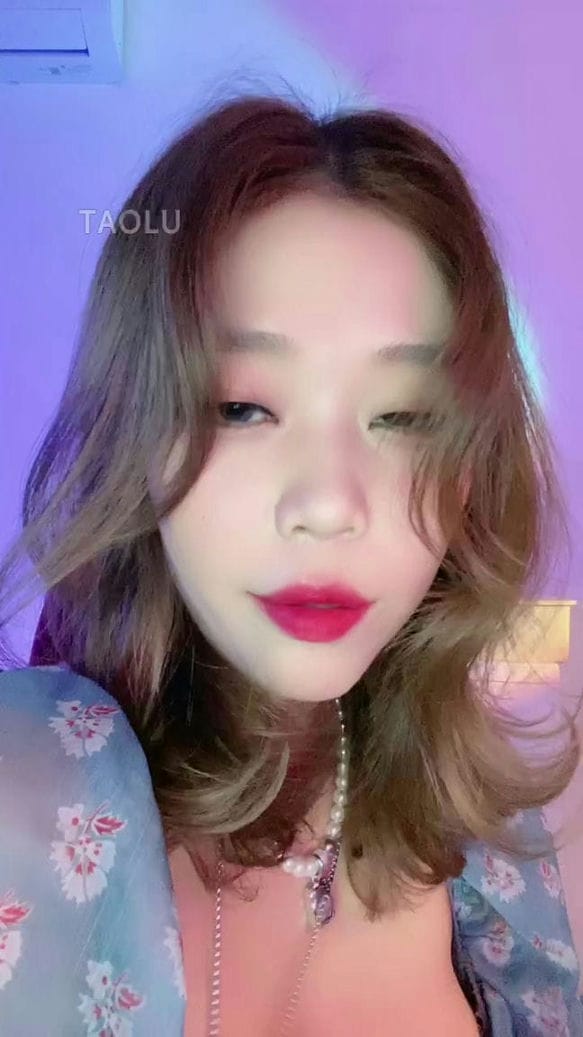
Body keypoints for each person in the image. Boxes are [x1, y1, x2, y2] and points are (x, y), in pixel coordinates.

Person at [1, 88, 583, 1037]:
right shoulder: (23, 800)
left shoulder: (479, 831)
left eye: (402, 415)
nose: (329, 503)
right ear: (133, 436)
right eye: (241, 406)